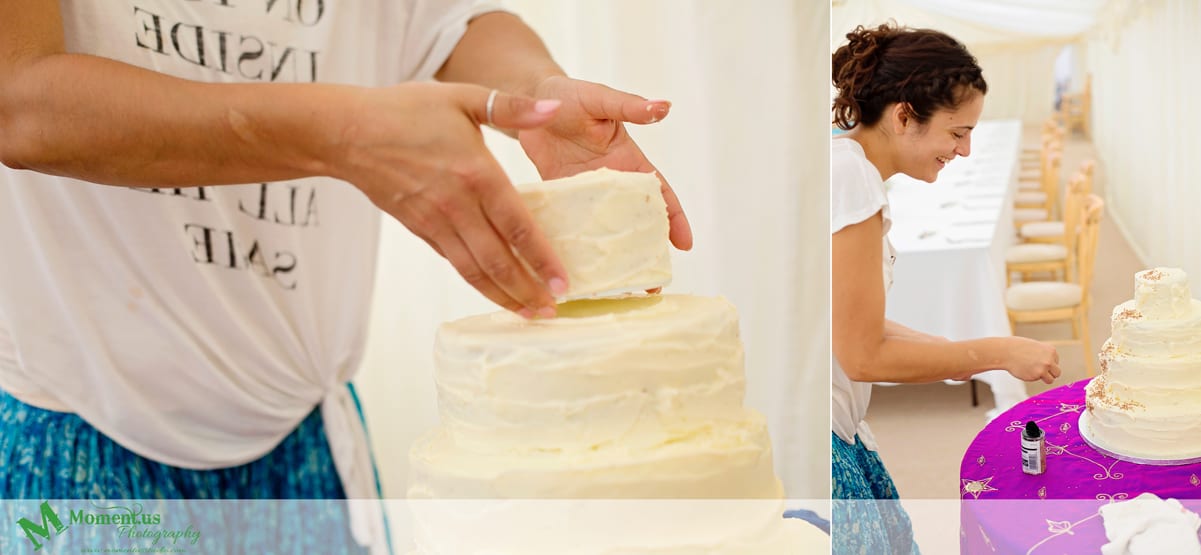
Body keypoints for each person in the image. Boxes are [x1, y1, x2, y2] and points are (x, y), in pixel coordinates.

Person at [0, 1, 691, 552]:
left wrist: (533, 93)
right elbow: (20, 101)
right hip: (81, 438)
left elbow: (447, 19)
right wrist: (344, 132)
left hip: (306, 437)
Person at [829, 23, 1062, 554]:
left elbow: (838, 321)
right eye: (957, 133)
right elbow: (862, 355)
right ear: (903, 116)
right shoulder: (851, 178)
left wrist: (955, 354)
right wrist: (997, 351)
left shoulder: (845, 165)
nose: (966, 150)